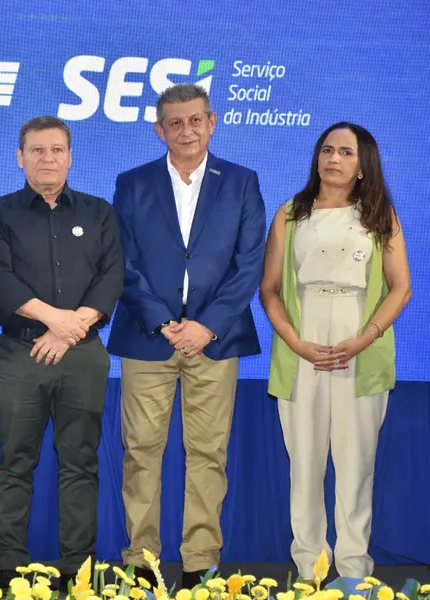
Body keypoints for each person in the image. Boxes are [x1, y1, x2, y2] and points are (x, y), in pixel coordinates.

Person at [107, 83, 266, 590]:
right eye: (175, 123)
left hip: (215, 340)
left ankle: (201, 562)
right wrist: (162, 320)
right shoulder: (132, 184)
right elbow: (123, 265)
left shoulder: (241, 182)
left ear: (211, 122)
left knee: (208, 453)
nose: (186, 130)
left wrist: (206, 325)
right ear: (159, 129)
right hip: (147, 337)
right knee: (141, 452)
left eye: (195, 120)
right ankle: (142, 563)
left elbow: (249, 264)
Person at [0, 116, 123, 591]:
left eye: (57, 150)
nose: (47, 159)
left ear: (70, 155)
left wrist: (67, 329)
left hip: (83, 353)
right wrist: (54, 319)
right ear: (20, 157)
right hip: (22, 354)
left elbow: (112, 277)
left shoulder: (100, 213)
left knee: (81, 461)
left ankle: (77, 565)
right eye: (37, 151)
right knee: (15, 459)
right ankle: (10, 566)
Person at [261, 122, 411, 581]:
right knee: (304, 465)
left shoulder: (379, 213)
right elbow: (269, 290)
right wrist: (295, 342)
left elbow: (400, 287)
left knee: (356, 465)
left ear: (363, 164)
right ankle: (309, 568)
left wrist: (365, 338)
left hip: (359, 345)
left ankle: (351, 571)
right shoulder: (291, 213)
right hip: (301, 342)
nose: (333, 159)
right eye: (327, 149)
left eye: (346, 152)